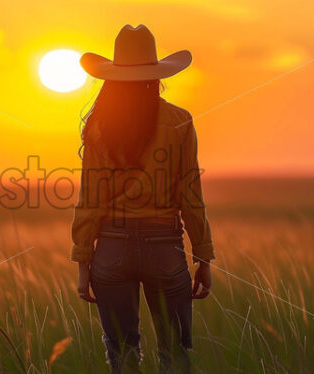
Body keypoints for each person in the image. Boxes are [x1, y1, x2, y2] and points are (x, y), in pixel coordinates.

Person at [71, 24, 215, 374]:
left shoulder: (99, 125)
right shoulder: (180, 121)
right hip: (164, 245)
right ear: (157, 74)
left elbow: (90, 198)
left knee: (121, 356)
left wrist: (83, 263)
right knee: (175, 355)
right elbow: (190, 194)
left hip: (111, 246)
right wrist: (203, 256)